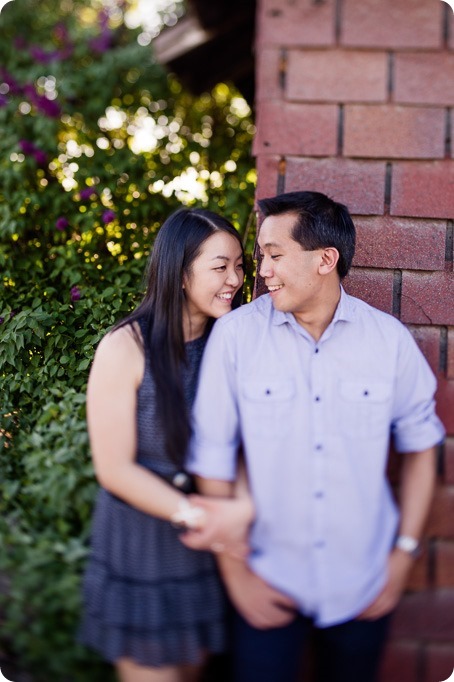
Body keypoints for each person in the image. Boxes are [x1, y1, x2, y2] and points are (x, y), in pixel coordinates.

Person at [184, 191, 445, 682]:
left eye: (275, 255)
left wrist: (402, 557)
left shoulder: (387, 341)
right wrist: (237, 578)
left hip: (363, 584)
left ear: (326, 259)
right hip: (266, 581)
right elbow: (212, 458)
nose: (262, 270)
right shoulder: (237, 336)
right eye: (262, 255)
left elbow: (421, 448)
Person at [78, 207, 247, 682]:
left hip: (204, 546)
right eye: (220, 267)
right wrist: (204, 517)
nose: (234, 278)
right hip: (143, 542)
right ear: (178, 273)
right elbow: (114, 469)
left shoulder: (231, 342)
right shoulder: (125, 347)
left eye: (239, 265)